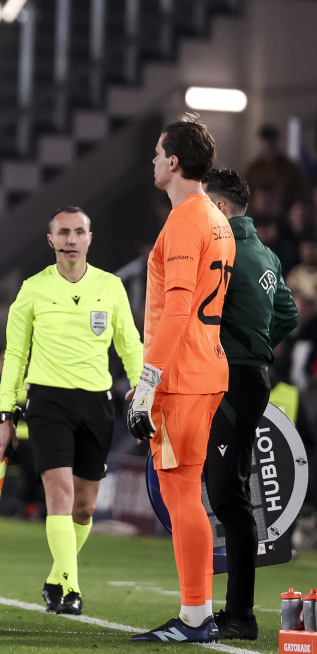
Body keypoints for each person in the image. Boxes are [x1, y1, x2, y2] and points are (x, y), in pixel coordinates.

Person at [0, 207, 143, 616]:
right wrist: (7, 412)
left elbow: (130, 344)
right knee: (59, 494)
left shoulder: (111, 287)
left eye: (79, 232)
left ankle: (56, 577)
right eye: (64, 233)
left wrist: (142, 387)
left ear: (90, 238)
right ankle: (73, 589)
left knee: (85, 506)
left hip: (97, 404)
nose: (72, 239)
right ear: (51, 240)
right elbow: (15, 353)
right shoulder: (32, 289)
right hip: (47, 401)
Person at [128, 115, 236, 643]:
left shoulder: (184, 222)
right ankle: (199, 612)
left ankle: (196, 615)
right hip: (207, 368)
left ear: (173, 162)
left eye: (156, 152)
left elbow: (175, 312)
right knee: (186, 493)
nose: (152, 160)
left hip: (183, 376)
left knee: (182, 496)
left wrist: (148, 381)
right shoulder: (217, 218)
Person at [201, 168, 298, 640]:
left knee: (228, 498)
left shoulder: (223, 249)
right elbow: (289, 313)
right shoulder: (267, 255)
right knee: (226, 493)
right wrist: (261, 347)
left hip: (229, 381)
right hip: (249, 377)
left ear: (218, 208)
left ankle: (239, 613)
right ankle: (226, 609)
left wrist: (241, 351)